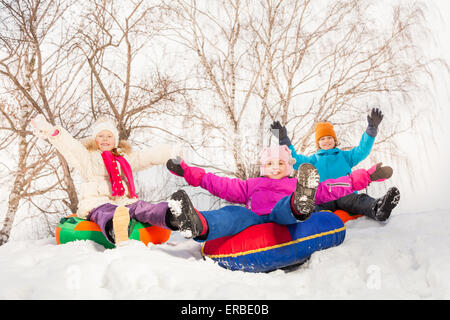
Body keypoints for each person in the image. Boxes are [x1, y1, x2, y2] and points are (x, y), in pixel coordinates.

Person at [163, 145, 395, 242]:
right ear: (264, 167)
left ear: (289, 167)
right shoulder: (250, 184)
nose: (275, 167)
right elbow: (219, 183)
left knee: (286, 206)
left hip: (282, 214)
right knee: (231, 213)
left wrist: (368, 175)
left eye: (281, 164)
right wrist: (187, 171)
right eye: (271, 163)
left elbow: (332, 187)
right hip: (254, 218)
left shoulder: (295, 182)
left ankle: (301, 203)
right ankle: (195, 222)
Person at [31, 115, 182, 245]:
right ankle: (115, 229)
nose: (105, 139)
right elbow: (70, 147)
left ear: (115, 140)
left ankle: (173, 216)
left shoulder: (123, 158)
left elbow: (145, 157)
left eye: (109, 136)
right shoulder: (87, 157)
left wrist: (170, 152)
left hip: (123, 201)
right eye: (100, 136)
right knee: (107, 212)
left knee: (142, 207)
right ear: (94, 139)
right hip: (97, 203)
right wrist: (52, 132)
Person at [270, 108, 384, 181]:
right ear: (318, 143)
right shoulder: (313, 161)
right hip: (324, 199)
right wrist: (283, 139)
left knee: (360, 200)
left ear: (335, 140)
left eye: (329, 138)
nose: (326, 141)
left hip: (346, 196)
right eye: (322, 139)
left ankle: (375, 208)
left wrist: (371, 130)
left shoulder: (346, 157)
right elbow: (294, 160)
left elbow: (362, 150)